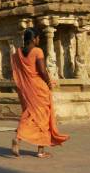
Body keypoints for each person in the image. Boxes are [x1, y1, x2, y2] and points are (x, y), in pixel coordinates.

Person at [10, 27, 69, 158]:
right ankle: (40, 151)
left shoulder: (17, 53)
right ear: (33, 39)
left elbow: (17, 72)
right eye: (38, 38)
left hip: (27, 89)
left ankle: (18, 138)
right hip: (38, 87)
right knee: (43, 117)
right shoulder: (37, 51)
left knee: (30, 114)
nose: (39, 40)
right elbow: (42, 71)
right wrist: (49, 82)